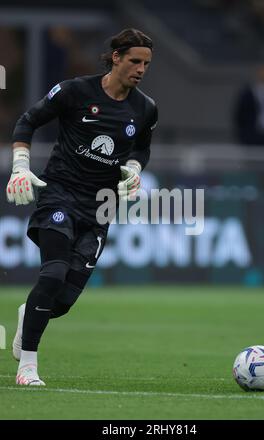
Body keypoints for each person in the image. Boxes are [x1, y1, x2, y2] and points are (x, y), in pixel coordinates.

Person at [6, 28, 158, 386]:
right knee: (53, 273)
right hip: (60, 194)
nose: (141, 69)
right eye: (135, 61)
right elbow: (27, 121)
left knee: (63, 300)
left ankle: (30, 313)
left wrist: (135, 169)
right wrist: (20, 165)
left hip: (101, 207)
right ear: (116, 57)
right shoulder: (75, 91)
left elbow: (142, 148)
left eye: (147, 64)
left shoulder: (145, 109)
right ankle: (27, 367)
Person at [233, 64, 264, 147]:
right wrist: (242, 133)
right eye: (263, 75)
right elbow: (239, 113)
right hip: (251, 133)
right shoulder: (248, 93)